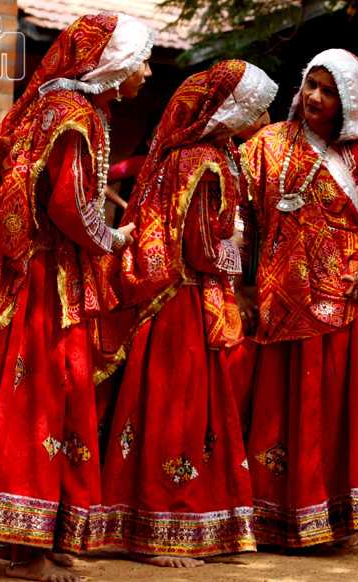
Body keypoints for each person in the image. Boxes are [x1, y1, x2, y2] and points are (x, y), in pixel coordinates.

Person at [0, 12, 152, 581]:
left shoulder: (55, 106)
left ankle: (36, 536)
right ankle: (30, 547)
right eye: (139, 60)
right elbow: (67, 204)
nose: (146, 70)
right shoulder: (74, 116)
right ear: (110, 65)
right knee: (39, 399)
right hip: (46, 282)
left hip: (42, 274)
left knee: (45, 398)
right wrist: (111, 238)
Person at [238, 49, 358, 549]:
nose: (315, 98)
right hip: (280, 300)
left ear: (347, 100)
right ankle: (273, 519)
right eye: (310, 86)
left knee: (332, 413)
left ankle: (332, 521)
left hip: (345, 304)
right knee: (280, 410)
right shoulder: (267, 144)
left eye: (328, 91)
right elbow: (240, 217)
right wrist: (240, 285)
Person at [97, 60, 278, 566]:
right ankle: (161, 528)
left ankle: (180, 521)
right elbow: (198, 247)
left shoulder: (209, 152)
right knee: (177, 409)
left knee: (186, 408)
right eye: (259, 109)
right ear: (233, 108)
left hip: (185, 299)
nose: (264, 119)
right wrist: (237, 258)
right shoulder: (201, 158)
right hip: (181, 301)